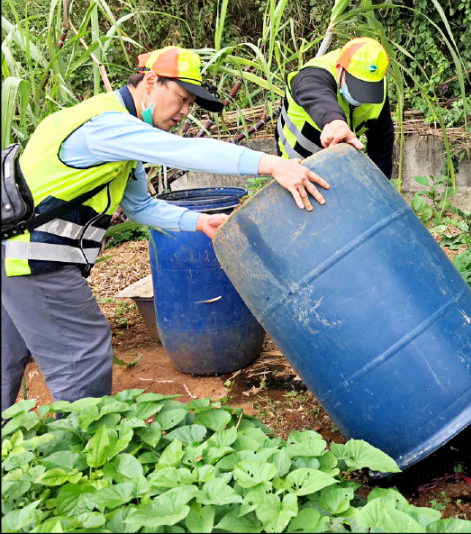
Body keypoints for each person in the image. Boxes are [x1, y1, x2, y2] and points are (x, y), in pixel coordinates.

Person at [1, 45, 329, 413]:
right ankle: (83, 456)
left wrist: (198, 221)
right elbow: (183, 151)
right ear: (151, 81)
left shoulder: (115, 135)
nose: (185, 111)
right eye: (182, 97)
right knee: (84, 353)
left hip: (14, 254)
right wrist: (272, 164)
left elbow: (139, 205)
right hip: (32, 259)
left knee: (6, 356)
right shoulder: (106, 124)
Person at [275, 37, 395, 179]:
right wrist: (334, 121)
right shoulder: (315, 74)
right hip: (296, 162)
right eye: (356, 86)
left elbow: (382, 141)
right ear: (339, 69)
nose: (361, 97)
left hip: (335, 164)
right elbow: (313, 90)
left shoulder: (376, 82)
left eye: (367, 89)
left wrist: (381, 185)